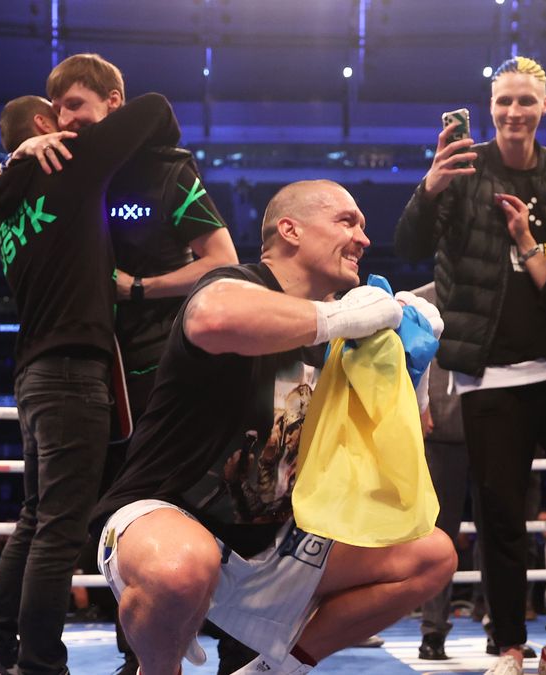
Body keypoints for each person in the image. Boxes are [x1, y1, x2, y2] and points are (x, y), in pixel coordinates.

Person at [93, 180, 456, 675]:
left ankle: (272, 671)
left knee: (432, 554)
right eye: (347, 221)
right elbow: (213, 317)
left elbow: (376, 465)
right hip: (162, 521)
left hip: (272, 541)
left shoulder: (344, 339)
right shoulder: (237, 283)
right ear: (290, 230)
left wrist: (405, 374)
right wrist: (337, 317)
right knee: (181, 565)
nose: (364, 239)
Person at [0, 54, 242, 674]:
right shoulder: (64, 168)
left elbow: (223, 260)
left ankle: (228, 647)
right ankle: (129, 654)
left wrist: (140, 287)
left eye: (77, 106)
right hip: (91, 375)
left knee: (184, 507)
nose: (65, 120)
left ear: (113, 104)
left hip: (162, 369)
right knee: (104, 521)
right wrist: (23, 153)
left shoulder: (163, 170)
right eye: (55, 110)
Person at [394, 56, 546, 675]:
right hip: (489, 374)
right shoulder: (459, 168)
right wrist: (428, 188)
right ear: (491, 109)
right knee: (500, 516)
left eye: (525, 102)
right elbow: (406, 247)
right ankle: (510, 646)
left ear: (543, 110)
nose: (514, 112)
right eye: (504, 101)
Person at [409, 282, 470, 661]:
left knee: (501, 529)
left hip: (495, 421)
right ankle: (433, 632)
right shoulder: (421, 300)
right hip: (442, 427)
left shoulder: (501, 289)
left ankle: (502, 629)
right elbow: (408, 355)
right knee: (438, 534)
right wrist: (420, 405)